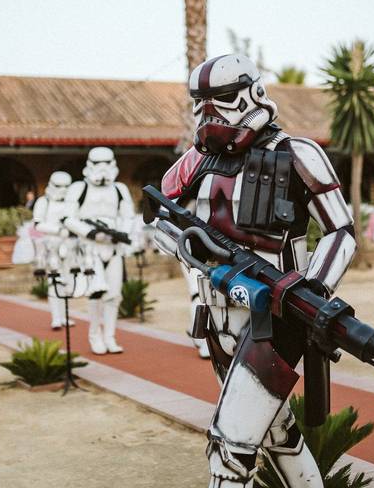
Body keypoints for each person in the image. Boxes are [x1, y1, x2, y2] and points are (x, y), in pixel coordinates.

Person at [155, 54, 356, 487]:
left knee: (229, 451)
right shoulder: (195, 160)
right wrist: (189, 249)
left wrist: (311, 290)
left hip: (276, 320)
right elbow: (162, 219)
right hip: (217, 317)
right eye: (200, 101)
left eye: (223, 98)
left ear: (254, 93)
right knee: (279, 434)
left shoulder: (298, 153)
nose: (210, 112)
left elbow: (342, 229)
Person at [64, 147, 134, 355]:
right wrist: (92, 234)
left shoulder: (120, 189)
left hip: (113, 247)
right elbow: (69, 218)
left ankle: (110, 337)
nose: (102, 169)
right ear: (89, 165)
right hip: (90, 248)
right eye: (98, 163)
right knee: (95, 293)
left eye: (107, 163)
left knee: (114, 296)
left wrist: (120, 232)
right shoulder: (78, 188)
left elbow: (128, 216)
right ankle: (95, 335)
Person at [32, 172, 76, 329]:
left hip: (69, 245)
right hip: (51, 245)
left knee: (68, 281)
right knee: (54, 281)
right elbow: (37, 224)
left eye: (66, 186)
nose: (63, 190)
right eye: (59, 186)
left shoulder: (71, 203)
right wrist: (58, 230)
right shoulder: (43, 202)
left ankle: (65, 316)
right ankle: (56, 317)